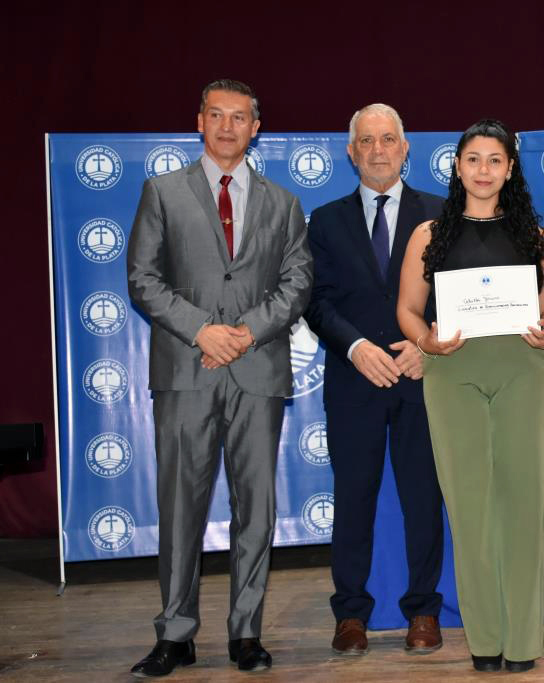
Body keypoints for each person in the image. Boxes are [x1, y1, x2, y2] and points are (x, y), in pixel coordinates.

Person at [126, 78, 312, 676]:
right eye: (217, 115)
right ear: (199, 121)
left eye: (240, 117)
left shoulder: (283, 203)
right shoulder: (161, 191)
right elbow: (143, 278)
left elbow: (297, 283)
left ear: (256, 128)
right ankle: (174, 634)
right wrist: (203, 330)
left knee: (255, 508)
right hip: (186, 370)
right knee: (181, 505)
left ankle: (245, 634)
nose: (228, 126)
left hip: (257, 371)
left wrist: (243, 334)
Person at [396, 119, 544, 674]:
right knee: (469, 510)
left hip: (521, 369)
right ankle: (485, 642)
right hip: (452, 374)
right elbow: (407, 311)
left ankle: (522, 644)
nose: (484, 170)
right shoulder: (429, 233)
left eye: (495, 160)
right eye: (474, 159)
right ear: (458, 166)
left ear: (510, 169)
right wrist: (427, 341)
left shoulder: (532, 236)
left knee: (521, 505)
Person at [304, 103, 446, 656]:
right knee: (353, 500)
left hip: (422, 379)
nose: (378, 150)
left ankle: (423, 612)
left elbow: (456, 294)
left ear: (406, 147)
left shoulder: (440, 213)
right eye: (367, 141)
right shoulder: (326, 219)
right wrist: (357, 346)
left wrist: (426, 346)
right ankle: (351, 616)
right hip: (354, 380)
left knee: (423, 499)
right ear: (351, 151)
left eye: (388, 139)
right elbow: (315, 302)